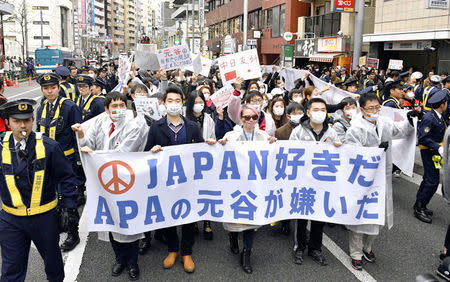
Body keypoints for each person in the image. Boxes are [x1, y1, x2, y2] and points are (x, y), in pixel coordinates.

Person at [0, 98, 78, 281]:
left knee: (54, 267)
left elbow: (67, 177)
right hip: (11, 219)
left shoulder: (49, 147)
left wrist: (69, 208)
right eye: (16, 121)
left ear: (33, 120)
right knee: (11, 271)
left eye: (26, 120)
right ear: (7, 122)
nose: (22, 125)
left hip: (44, 218)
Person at [72, 92, 146, 280]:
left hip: (126, 181)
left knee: (129, 223)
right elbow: (90, 144)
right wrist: (81, 136)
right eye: (114, 106)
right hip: (104, 182)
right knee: (111, 221)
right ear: (106, 109)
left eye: (122, 105)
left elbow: (124, 152)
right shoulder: (100, 123)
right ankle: (119, 259)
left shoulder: (134, 125)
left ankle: (132, 263)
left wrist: (98, 154)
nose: (119, 110)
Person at [144, 85, 215, 273]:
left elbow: (201, 152)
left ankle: (186, 252)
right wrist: (152, 151)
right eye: (170, 101)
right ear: (164, 104)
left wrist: (210, 146)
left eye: (177, 101)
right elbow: (145, 153)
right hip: (165, 182)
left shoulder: (192, 126)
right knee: (168, 217)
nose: (174, 104)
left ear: (182, 103)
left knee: (188, 218)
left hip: (188, 182)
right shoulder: (156, 127)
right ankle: (172, 250)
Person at [344, 93, 417, 270]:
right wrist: (375, 151)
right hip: (362, 180)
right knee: (360, 217)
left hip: (382, 178)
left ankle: (368, 247)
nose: (375, 111)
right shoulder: (355, 128)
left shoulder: (383, 122)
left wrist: (410, 119)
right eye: (371, 108)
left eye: (377, 107)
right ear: (362, 110)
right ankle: (356, 253)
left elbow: (400, 130)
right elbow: (351, 154)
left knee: (378, 215)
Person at [218, 104, 276, 274]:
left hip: (255, 186)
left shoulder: (263, 136)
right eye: (246, 117)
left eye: (254, 117)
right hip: (235, 185)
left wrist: (273, 144)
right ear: (241, 119)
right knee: (235, 217)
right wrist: (222, 145)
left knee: (251, 221)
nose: (250, 120)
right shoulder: (231, 135)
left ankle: (247, 253)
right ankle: (233, 238)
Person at [289, 97, 342, 266]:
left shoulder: (331, 133)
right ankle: (299, 248)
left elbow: (341, 156)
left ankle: (315, 249)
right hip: (303, 182)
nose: (320, 113)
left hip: (323, 183)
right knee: (302, 217)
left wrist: (340, 147)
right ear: (308, 112)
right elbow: (290, 154)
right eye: (316, 110)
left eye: (323, 110)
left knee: (320, 217)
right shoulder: (298, 131)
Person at [35, 73, 83, 251]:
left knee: (69, 196)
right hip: (47, 162)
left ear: (58, 88)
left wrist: (79, 161)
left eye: (52, 88)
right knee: (51, 195)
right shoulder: (42, 109)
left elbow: (79, 136)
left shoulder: (70, 107)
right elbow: (39, 136)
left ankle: (73, 233)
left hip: (67, 160)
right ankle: (56, 226)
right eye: (46, 88)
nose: (49, 91)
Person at [185, 90, 216, 241]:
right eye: (196, 102)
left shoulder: (209, 119)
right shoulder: (184, 119)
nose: (199, 105)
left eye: (201, 102)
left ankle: (207, 222)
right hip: (190, 163)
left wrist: (211, 142)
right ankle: (194, 221)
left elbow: (213, 137)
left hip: (205, 162)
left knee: (206, 192)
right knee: (192, 192)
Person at [414, 90, 448, 223]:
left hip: (435, 153)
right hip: (429, 152)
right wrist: (438, 147)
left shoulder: (438, 116)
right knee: (432, 181)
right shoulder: (429, 118)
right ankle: (419, 208)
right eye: (446, 103)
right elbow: (423, 138)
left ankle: (420, 204)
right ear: (442, 105)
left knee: (429, 179)